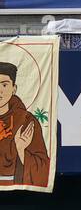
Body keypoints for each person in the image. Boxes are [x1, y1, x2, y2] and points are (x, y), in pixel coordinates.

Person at [0, 61, 51, 190]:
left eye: (4, 85)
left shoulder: (26, 121)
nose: (0, 91)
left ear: (14, 88)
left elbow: (43, 165)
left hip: (16, 188)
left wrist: (21, 150)